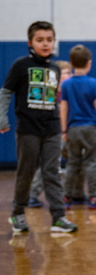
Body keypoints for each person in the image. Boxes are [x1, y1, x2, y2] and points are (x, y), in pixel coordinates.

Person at [0, 21, 77, 233]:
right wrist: (2, 118)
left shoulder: (54, 68)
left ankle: (59, 217)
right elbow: (6, 92)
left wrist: (61, 128)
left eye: (49, 40)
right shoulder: (20, 65)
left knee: (52, 172)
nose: (45, 44)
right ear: (30, 43)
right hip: (28, 129)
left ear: (54, 42)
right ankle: (17, 214)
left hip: (51, 129)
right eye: (40, 40)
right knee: (27, 172)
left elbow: (54, 100)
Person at [61, 44, 96, 210]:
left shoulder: (67, 84)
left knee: (72, 164)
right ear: (89, 63)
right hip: (91, 127)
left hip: (73, 129)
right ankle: (94, 198)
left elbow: (64, 107)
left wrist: (64, 130)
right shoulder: (93, 82)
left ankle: (66, 198)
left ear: (71, 64)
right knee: (91, 164)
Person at [28, 59, 71, 208]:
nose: (69, 75)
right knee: (49, 164)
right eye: (66, 73)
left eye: (70, 72)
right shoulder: (49, 92)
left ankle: (70, 194)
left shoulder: (69, 91)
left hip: (68, 132)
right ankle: (33, 193)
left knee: (76, 162)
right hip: (53, 133)